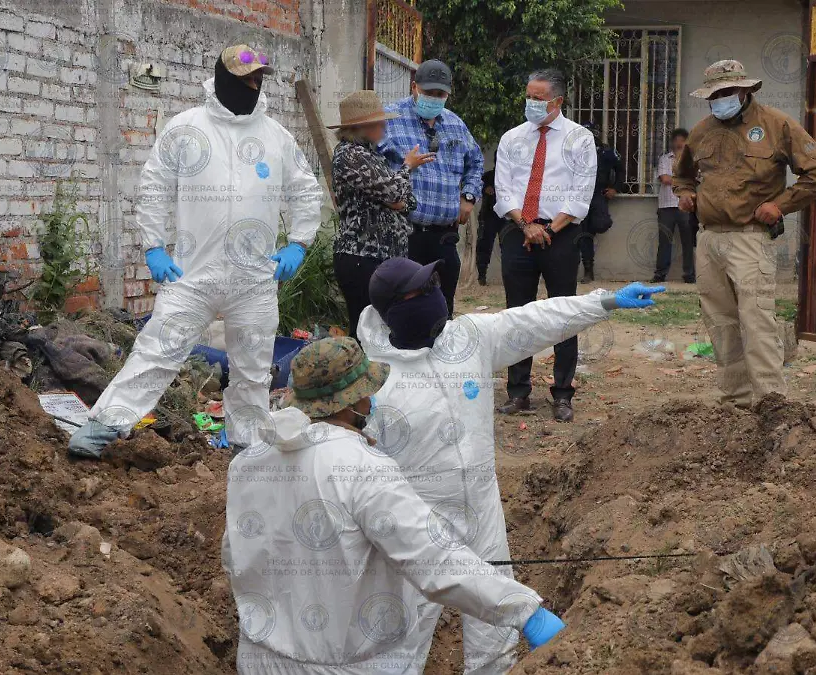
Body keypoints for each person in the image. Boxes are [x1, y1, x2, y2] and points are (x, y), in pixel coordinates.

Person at [356, 256, 663, 674]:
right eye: (419, 292)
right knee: (399, 645)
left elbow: (535, 320)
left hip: (482, 514)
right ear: (392, 311)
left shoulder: (467, 338)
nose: (432, 297)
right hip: (417, 529)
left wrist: (603, 303)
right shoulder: (371, 383)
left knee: (495, 642)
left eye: (433, 286)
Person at [223, 336, 567, 674]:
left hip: (259, 656)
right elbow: (435, 559)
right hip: (346, 665)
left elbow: (236, 556)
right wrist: (524, 610)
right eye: (366, 392)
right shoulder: (360, 467)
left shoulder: (249, 461)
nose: (371, 401)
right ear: (350, 401)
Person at [68, 44, 323, 458]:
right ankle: (103, 427)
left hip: (254, 278)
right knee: (156, 350)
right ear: (223, 79)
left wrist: (298, 243)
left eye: (259, 79)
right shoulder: (186, 128)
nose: (254, 86)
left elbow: (305, 191)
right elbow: (154, 187)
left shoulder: (275, 137)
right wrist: (154, 246)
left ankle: (246, 447)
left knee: (253, 370)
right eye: (246, 80)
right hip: (191, 274)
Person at [673, 60, 816, 408]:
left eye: (727, 92)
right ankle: (735, 402)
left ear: (745, 90)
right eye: (714, 95)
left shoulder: (776, 125)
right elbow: (683, 175)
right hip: (709, 238)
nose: (720, 99)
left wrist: (781, 205)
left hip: (750, 238)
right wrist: (685, 194)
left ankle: (771, 402)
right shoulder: (702, 131)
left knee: (756, 321)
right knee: (720, 322)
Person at [492, 69, 596, 422]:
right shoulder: (512, 139)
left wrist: (548, 228)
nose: (531, 104)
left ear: (557, 102)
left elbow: (581, 193)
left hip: (561, 235)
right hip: (517, 233)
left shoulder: (579, 140)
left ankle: (563, 394)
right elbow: (503, 189)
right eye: (529, 97)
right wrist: (525, 225)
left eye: (538, 99)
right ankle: (518, 391)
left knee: (563, 315)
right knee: (517, 315)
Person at [329, 90, 435, 338]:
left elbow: (407, 202)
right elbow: (396, 195)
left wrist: (397, 194)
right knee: (367, 329)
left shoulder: (371, 156)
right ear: (364, 127)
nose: (385, 126)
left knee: (384, 328)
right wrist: (407, 167)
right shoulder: (350, 155)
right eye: (380, 122)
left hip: (383, 258)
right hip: (362, 257)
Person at [381, 60, 484, 316]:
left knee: (442, 308)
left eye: (440, 95)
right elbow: (373, 165)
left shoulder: (455, 124)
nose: (434, 99)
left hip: (443, 236)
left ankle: (440, 354)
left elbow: (476, 161)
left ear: (448, 94)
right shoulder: (389, 119)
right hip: (404, 234)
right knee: (406, 307)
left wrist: (468, 197)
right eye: (428, 93)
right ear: (414, 87)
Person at [577, 119, 623, 283]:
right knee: (583, 233)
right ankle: (588, 271)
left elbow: (621, 169)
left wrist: (615, 188)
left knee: (601, 224)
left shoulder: (606, 151)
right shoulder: (575, 152)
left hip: (598, 195)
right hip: (580, 195)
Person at [654, 128, 698, 284]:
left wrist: (682, 179)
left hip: (686, 206)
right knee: (665, 241)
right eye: (677, 140)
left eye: (682, 141)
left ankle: (689, 275)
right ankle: (660, 274)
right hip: (666, 206)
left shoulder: (692, 160)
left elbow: (695, 179)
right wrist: (683, 180)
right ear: (672, 143)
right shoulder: (665, 159)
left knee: (688, 241)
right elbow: (665, 179)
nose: (679, 144)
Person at [475, 165, 503, 286]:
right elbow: (476, 185)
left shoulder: (509, 176)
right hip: (488, 215)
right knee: (484, 246)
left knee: (508, 246)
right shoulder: (487, 177)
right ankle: (481, 276)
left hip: (506, 216)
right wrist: (485, 188)